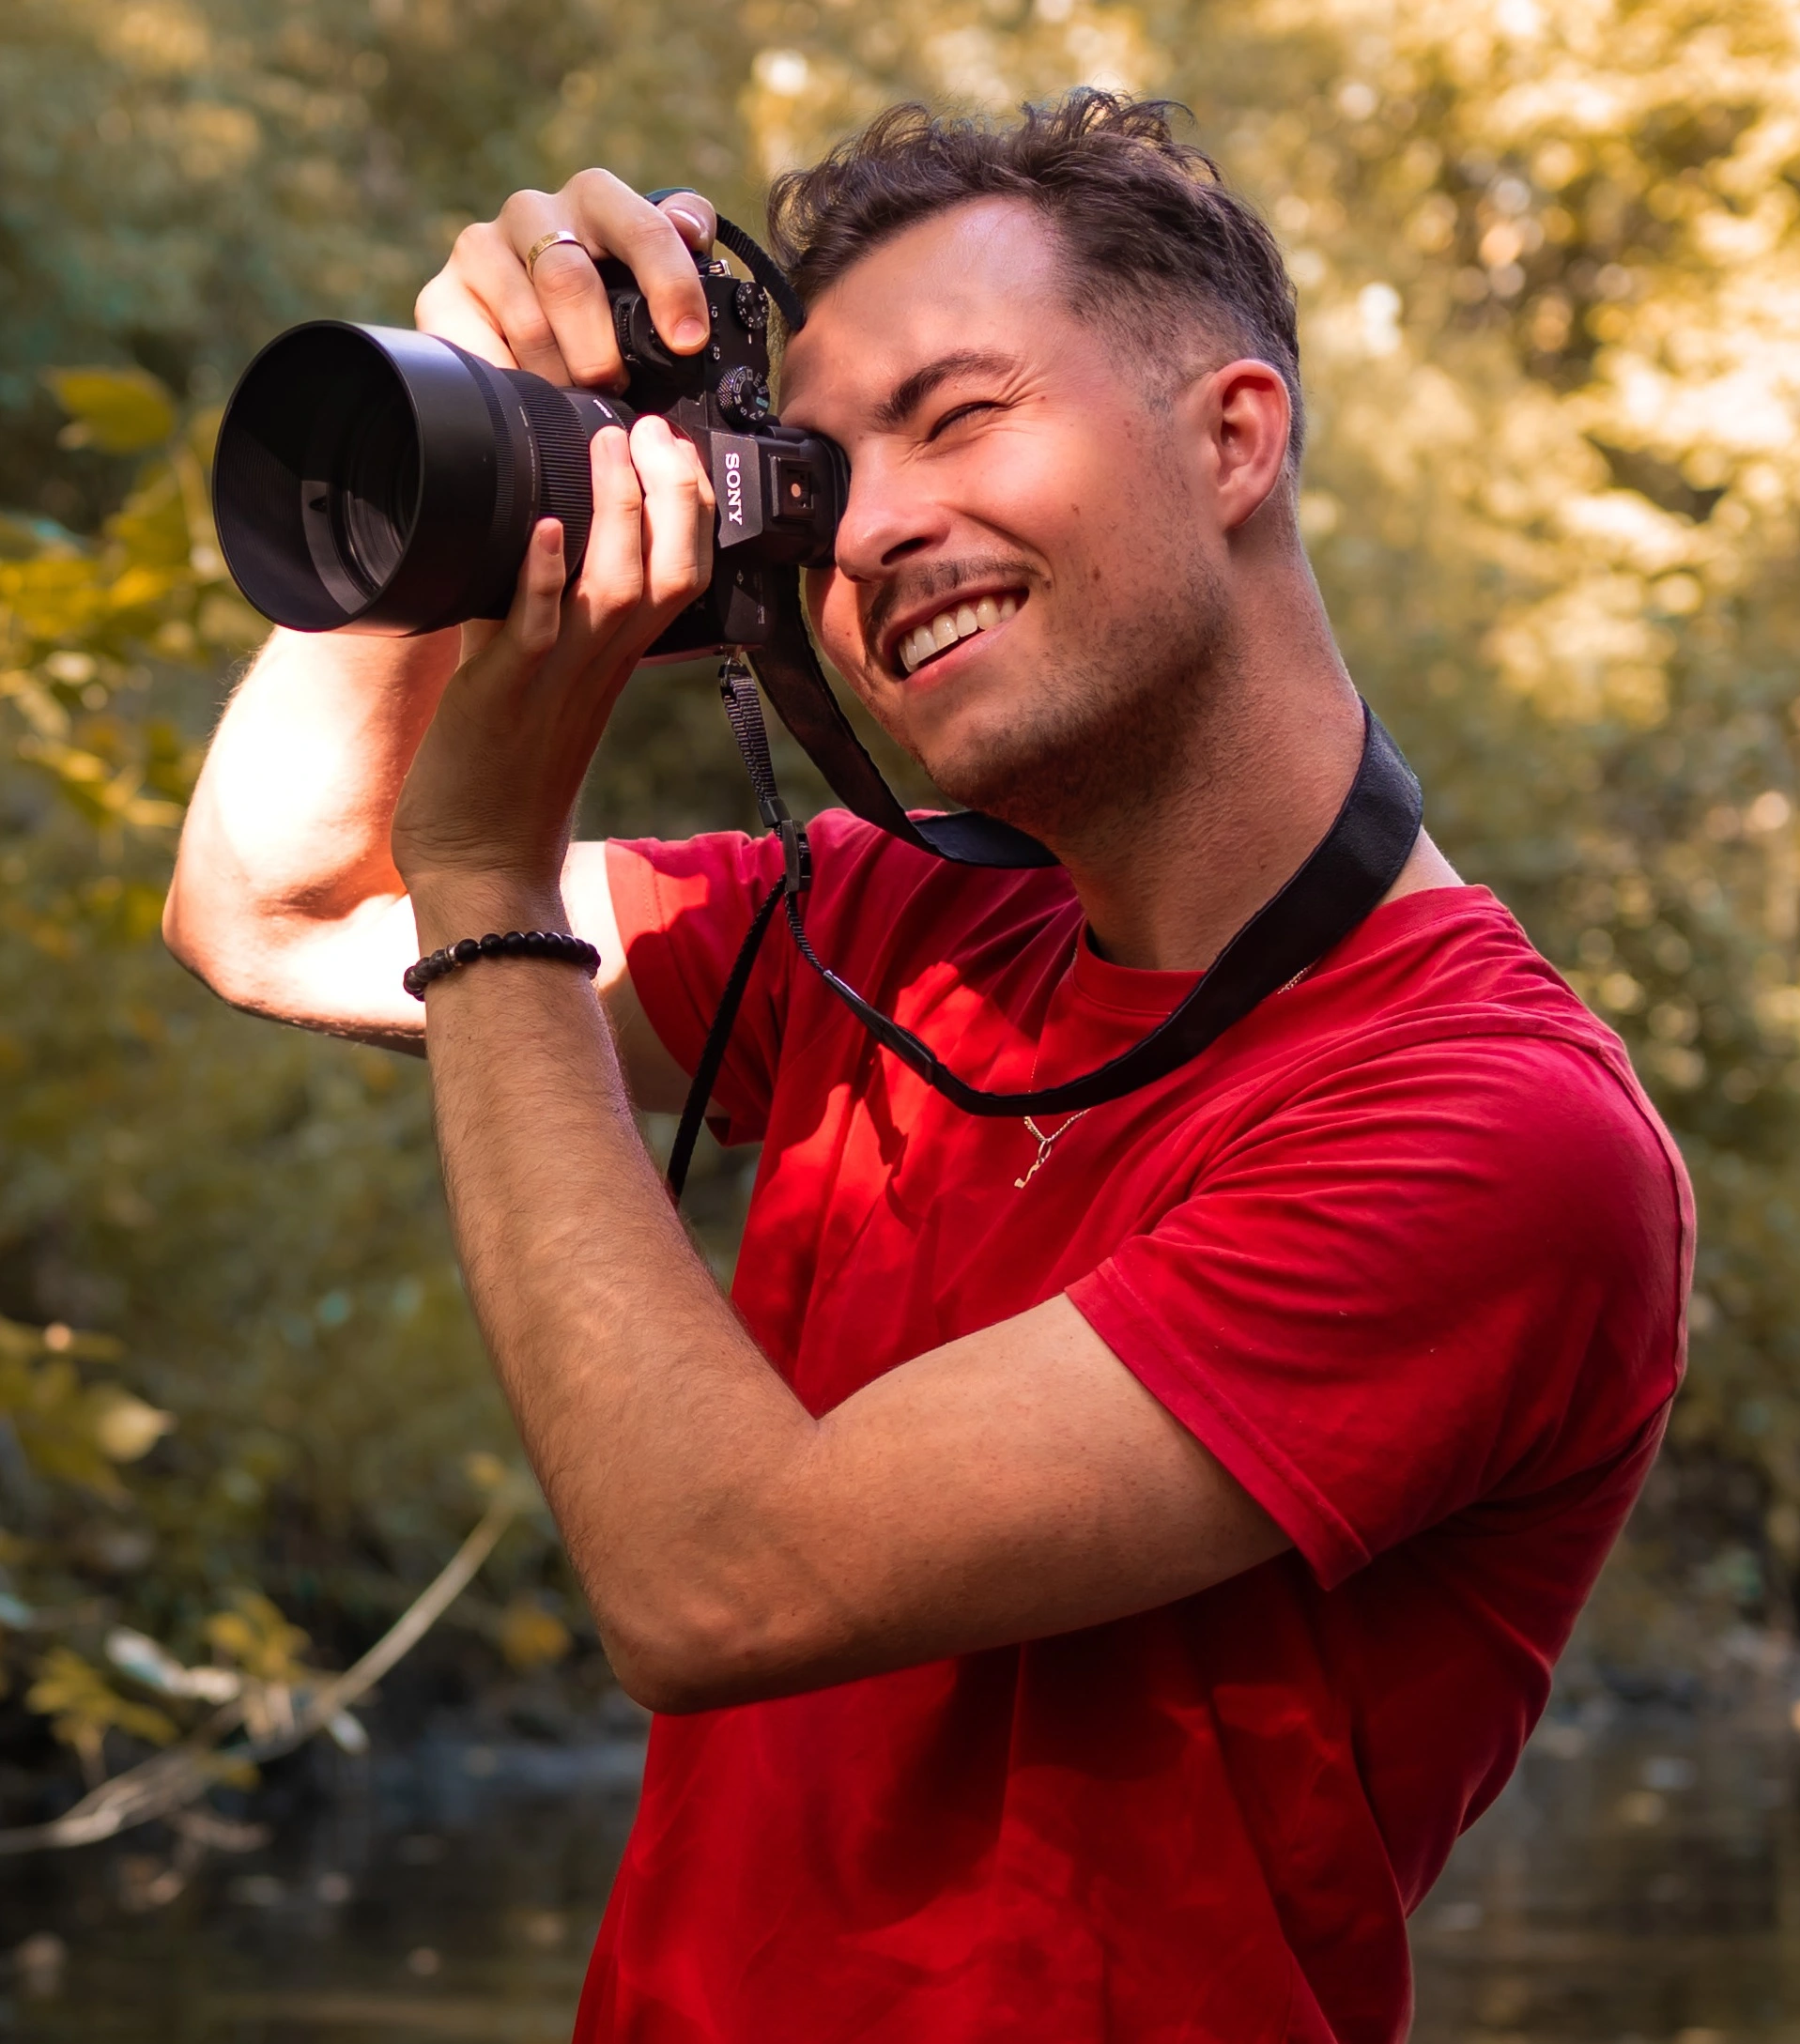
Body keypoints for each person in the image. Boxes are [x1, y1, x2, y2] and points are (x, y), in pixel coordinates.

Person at [165, 91, 1691, 2044]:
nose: (872, 527)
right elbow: (273, 906)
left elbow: (720, 1581)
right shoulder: (895, 936)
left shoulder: (1488, 1122)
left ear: (1235, 435)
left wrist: (487, 880)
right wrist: (462, 427)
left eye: (962, 417)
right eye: (818, 471)